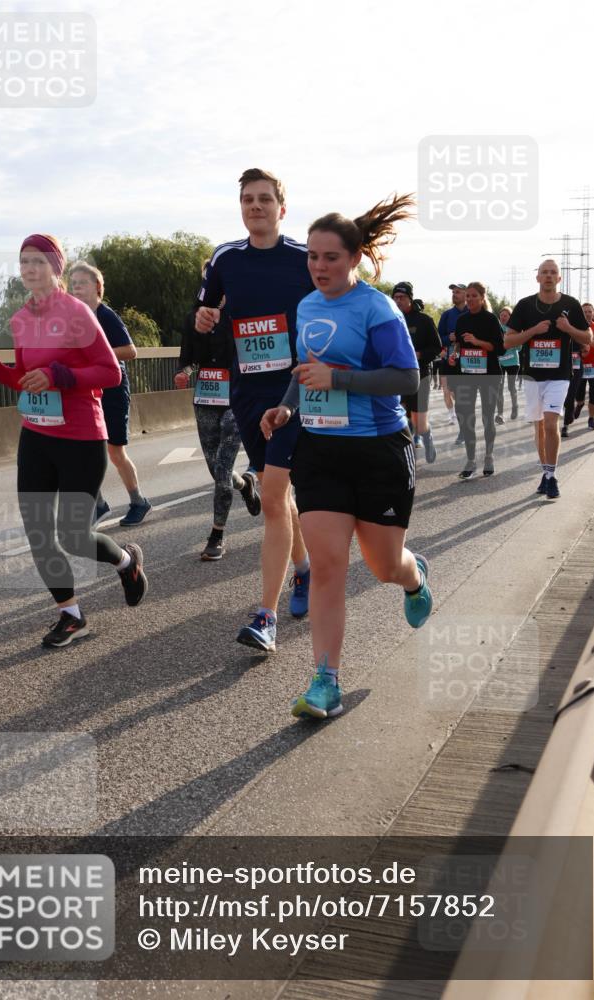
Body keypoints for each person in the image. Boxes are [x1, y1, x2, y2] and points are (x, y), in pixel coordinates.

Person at [260, 196, 432, 721]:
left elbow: (407, 378)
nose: (319, 266)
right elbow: (305, 370)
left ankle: (413, 577)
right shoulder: (307, 307)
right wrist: (287, 407)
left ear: (354, 258)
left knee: (383, 567)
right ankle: (325, 681)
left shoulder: (377, 309)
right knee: (329, 565)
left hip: (379, 450)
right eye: (312, 256)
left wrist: (339, 379)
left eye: (331, 257)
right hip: (321, 451)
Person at [0, 234, 148, 648]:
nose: (29, 269)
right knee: (38, 531)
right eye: (24, 262)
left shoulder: (76, 313)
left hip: (81, 437)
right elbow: (27, 380)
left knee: (73, 536)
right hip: (36, 435)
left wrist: (59, 375)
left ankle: (126, 561)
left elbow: (110, 372)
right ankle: (71, 615)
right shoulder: (21, 320)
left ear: (57, 269)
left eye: (39, 261)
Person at [195, 168, 314, 652]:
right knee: (275, 493)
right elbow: (205, 312)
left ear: (281, 208)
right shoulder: (225, 259)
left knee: (274, 498)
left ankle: (266, 616)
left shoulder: (304, 258)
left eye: (265, 199)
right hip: (246, 391)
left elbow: (337, 301)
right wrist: (205, 318)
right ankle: (303, 570)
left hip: (294, 390)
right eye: (248, 199)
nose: (256, 206)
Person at [175, 292, 261, 560]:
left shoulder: (241, 314)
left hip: (236, 398)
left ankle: (217, 534)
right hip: (205, 399)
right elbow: (188, 358)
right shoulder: (193, 318)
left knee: (223, 467)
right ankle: (245, 486)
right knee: (216, 470)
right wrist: (183, 372)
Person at [69, 262, 152, 526]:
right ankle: (98, 504)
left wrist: (97, 355)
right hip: (87, 391)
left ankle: (139, 501)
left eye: (82, 283)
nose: (76, 288)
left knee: (115, 452)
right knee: (83, 451)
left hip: (113, 390)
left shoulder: (106, 315)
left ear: (97, 287)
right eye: (73, 284)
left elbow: (130, 350)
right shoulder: (75, 319)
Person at [505, 260, 590, 500]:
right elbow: (508, 341)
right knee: (540, 427)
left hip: (559, 375)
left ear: (559, 278)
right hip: (533, 376)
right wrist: (533, 331)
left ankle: (552, 476)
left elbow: (587, 337)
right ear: (538, 278)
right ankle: (545, 471)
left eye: (553, 272)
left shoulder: (570, 304)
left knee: (551, 423)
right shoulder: (525, 305)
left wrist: (568, 328)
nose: (549, 276)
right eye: (544, 272)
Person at [448, 283, 505, 478]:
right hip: (466, 374)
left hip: (489, 374)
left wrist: (477, 341)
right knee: (466, 416)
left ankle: (489, 456)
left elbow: (499, 348)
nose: (470, 299)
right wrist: (455, 354)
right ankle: (471, 460)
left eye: (474, 296)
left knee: (487, 417)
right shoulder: (462, 319)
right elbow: (459, 345)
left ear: (482, 297)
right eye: (468, 296)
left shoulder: (490, 319)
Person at [392, 282, 441, 462]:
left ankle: (426, 438)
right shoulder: (389, 319)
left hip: (421, 375)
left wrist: (419, 354)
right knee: (400, 417)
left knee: (419, 422)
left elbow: (437, 347)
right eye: (395, 297)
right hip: (396, 375)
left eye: (402, 297)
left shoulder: (424, 320)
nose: (398, 301)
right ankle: (405, 454)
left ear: (410, 299)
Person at [438, 284, 468, 437]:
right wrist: (448, 338)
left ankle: (466, 428)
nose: (454, 294)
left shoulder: (473, 312)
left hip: (471, 361)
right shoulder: (447, 315)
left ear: (466, 294)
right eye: (453, 292)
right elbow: (437, 339)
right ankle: (463, 429)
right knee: (454, 393)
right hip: (451, 361)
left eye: (458, 292)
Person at [572, 303, 594, 430]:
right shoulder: (575, 327)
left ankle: (591, 419)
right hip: (580, 365)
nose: (588, 314)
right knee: (579, 394)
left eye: (590, 311)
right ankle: (579, 404)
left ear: (593, 313)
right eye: (585, 312)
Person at [496, 306, 519, 423]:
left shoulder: (514, 329)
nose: (503, 317)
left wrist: (511, 341)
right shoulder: (496, 328)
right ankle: (500, 414)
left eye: (505, 315)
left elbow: (519, 347)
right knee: (499, 388)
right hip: (499, 362)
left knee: (511, 387)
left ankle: (515, 407)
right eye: (501, 315)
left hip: (512, 362)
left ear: (510, 317)